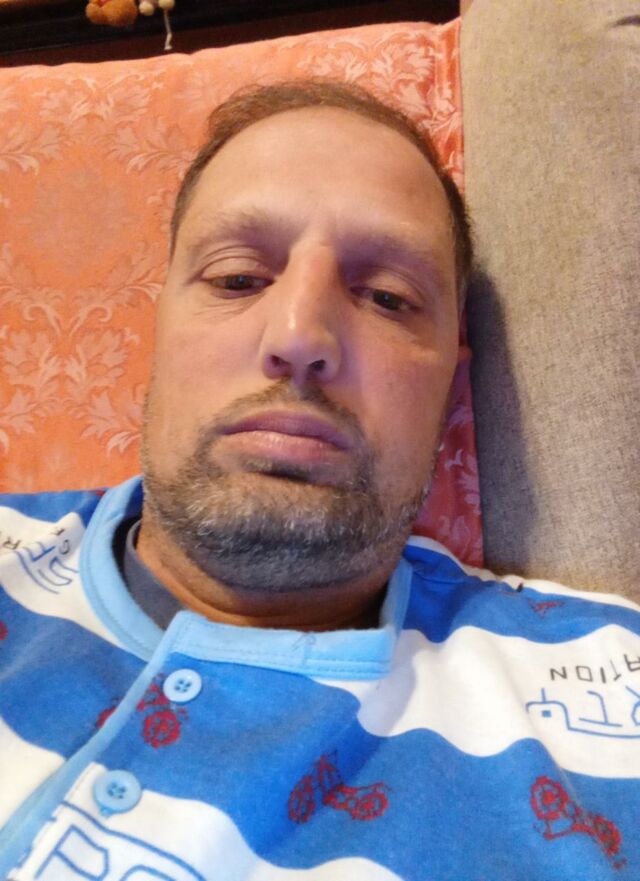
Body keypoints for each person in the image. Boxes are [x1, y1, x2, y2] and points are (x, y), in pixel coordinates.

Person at [0, 81, 638, 881]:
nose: (300, 334)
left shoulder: (612, 688)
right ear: (160, 327)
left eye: (388, 297)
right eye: (237, 278)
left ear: (451, 385)